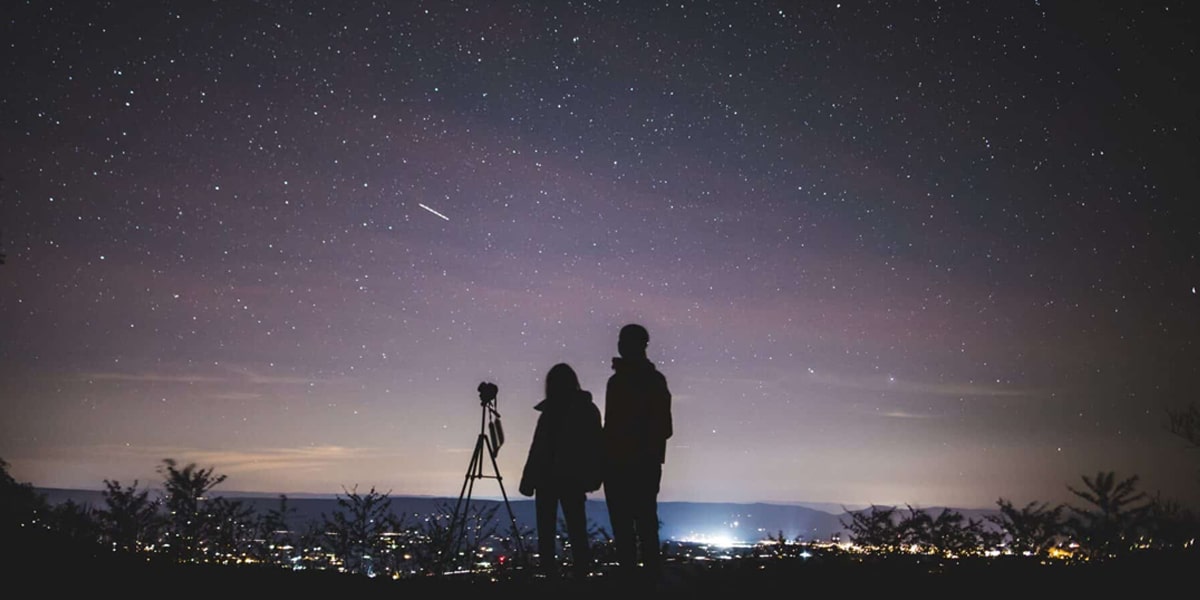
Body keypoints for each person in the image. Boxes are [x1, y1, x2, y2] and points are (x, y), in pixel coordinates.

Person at [518, 363, 603, 579]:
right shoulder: (585, 409)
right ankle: (580, 573)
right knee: (575, 527)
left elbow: (538, 448)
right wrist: (593, 476)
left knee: (548, 529)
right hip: (570, 478)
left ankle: (552, 574)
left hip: (551, 478)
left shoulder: (551, 412)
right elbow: (596, 446)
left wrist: (528, 480)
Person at [602, 323, 673, 582]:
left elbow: (662, 427)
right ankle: (643, 580)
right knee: (641, 524)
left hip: (631, 464)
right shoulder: (645, 381)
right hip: (639, 464)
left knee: (632, 525)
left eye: (624, 340)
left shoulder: (626, 382)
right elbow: (664, 427)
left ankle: (634, 580)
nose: (620, 345)